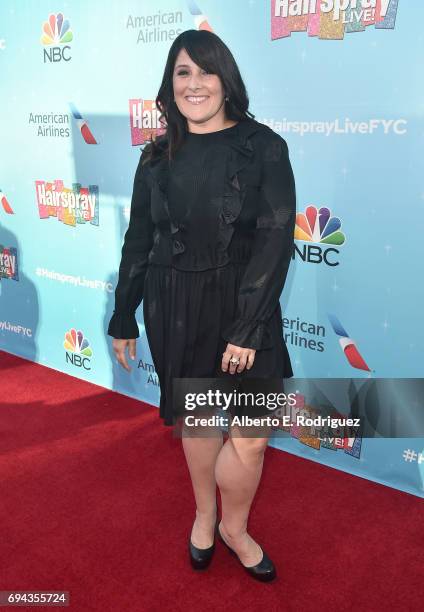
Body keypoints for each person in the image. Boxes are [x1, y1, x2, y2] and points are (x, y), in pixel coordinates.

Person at [107, 29, 296, 582]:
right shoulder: (155, 158)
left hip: (244, 306)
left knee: (253, 435)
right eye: (182, 72)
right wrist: (123, 316)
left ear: (226, 80)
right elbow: (139, 239)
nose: (195, 84)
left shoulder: (262, 146)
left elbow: (276, 237)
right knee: (199, 421)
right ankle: (205, 514)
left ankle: (236, 528)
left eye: (205, 71)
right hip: (176, 303)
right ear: (170, 85)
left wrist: (247, 326)